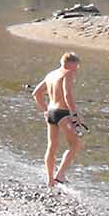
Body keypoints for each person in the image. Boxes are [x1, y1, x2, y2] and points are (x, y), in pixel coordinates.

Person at [32, 53, 84, 187]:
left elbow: (36, 93)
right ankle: (60, 175)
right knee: (75, 144)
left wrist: (45, 110)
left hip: (51, 112)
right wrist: (75, 114)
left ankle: (50, 180)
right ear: (70, 63)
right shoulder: (67, 73)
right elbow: (67, 94)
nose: (77, 69)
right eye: (76, 65)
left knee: (52, 146)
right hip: (63, 113)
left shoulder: (51, 75)